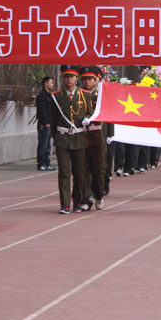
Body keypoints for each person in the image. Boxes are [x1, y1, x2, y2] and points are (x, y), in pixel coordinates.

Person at [50, 65, 91, 214]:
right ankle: (65, 204)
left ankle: (77, 201)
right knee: (64, 172)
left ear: (76, 78)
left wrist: (87, 119)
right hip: (62, 139)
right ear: (63, 78)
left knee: (79, 173)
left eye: (72, 76)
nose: (69, 79)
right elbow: (53, 119)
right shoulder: (56, 96)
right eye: (66, 76)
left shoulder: (85, 95)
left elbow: (91, 113)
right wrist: (56, 137)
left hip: (79, 138)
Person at [79, 66, 106, 209]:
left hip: (96, 134)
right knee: (83, 168)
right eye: (84, 79)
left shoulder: (101, 95)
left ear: (96, 80)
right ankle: (85, 199)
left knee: (98, 168)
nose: (87, 82)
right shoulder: (79, 95)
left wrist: (110, 134)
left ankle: (99, 195)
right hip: (81, 134)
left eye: (90, 79)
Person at [35, 76, 55, 171]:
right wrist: (45, 122)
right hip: (44, 125)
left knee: (48, 145)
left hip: (49, 124)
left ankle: (47, 163)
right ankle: (41, 163)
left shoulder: (49, 96)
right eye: (51, 82)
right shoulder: (42, 96)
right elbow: (41, 110)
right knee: (43, 145)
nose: (52, 84)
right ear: (45, 84)